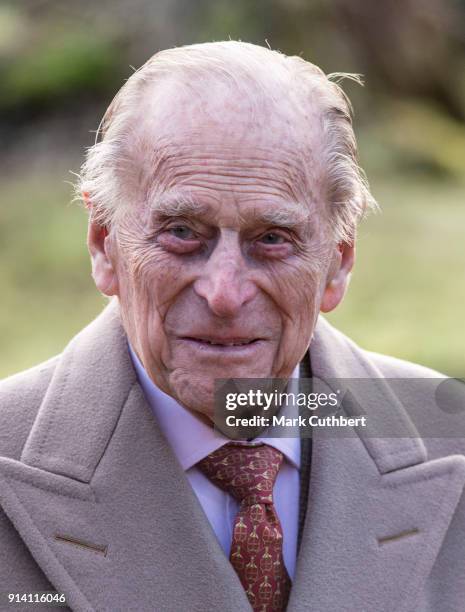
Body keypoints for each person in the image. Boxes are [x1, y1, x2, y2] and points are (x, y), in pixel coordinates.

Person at [0, 41, 464, 612]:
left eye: (272, 239)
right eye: (181, 232)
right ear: (103, 242)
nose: (224, 293)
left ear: (338, 263)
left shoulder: (450, 436)